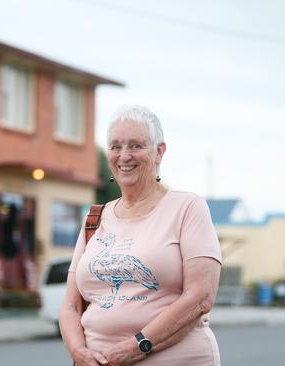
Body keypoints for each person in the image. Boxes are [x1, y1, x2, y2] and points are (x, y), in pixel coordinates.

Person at [59, 105, 223, 366]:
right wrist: (79, 353)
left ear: (159, 151)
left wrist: (134, 348)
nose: (124, 156)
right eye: (115, 147)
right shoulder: (95, 219)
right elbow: (70, 306)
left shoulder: (188, 208)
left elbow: (200, 297)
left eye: (136, 146)